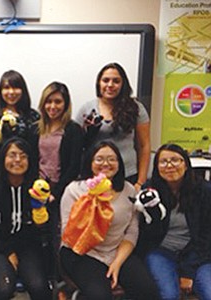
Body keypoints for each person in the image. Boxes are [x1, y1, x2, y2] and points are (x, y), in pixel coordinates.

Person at [59, 141, 159, 300]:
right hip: (82, 252)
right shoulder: (75, 189)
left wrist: (117, 263)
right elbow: (67, 232)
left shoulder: (129, 190)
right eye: (99, 159)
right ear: (90, 163)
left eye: (112, 159)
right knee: (100, 295)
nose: (105, 163)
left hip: (116, 250)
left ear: (119, 164)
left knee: (148, 291)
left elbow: (132, 231)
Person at [0, 137, 52, 300]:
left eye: (23, 156)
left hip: (27, 246)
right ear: (3, 159)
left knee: (40, 288)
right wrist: (7, 251)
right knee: (4, 288)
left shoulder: (37, 189)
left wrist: (43, 217)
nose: (17, 160)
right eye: (12, 155)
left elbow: (42, 229)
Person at [137, 144, 211, 300]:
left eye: (175, 160)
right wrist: (153, 213)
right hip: (161, 251)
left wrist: (188, 271)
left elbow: (206, 236)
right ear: (156, 167)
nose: (169, 165)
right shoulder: (149, 191)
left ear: (186, 164)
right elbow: (146, 235)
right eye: (163, 162)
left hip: (198, 254)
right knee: (168, 295)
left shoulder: (204, 191)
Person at [31, 81, 84, 279]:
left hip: (61, 192)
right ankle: (41, 277)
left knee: (58, 238)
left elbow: (73, 166)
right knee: (38, 236)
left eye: (58, 102)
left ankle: (59, 280)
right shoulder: (36, 128)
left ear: (66, 104)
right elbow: (31, 160)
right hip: (37, 190)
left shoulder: (73, 130)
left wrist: (55, 193)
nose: (53, 106)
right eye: (48, 102)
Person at [76, 63, 150, 191]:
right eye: (106, 80)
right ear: (99, 83)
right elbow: (76, 145)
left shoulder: (136, 108)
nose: (110, 85)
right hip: (95, 178)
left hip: (128, 176)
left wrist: (140, 182)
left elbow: (144, 146)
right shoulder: (87, 109)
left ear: (123, 84)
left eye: (116, 81)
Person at [0, 70, 40, 181]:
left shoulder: (33, 116)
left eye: (16, 88)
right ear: (0, 91)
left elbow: (38, 149)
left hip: (26, 174)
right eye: (6, 88)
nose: (11, 92)